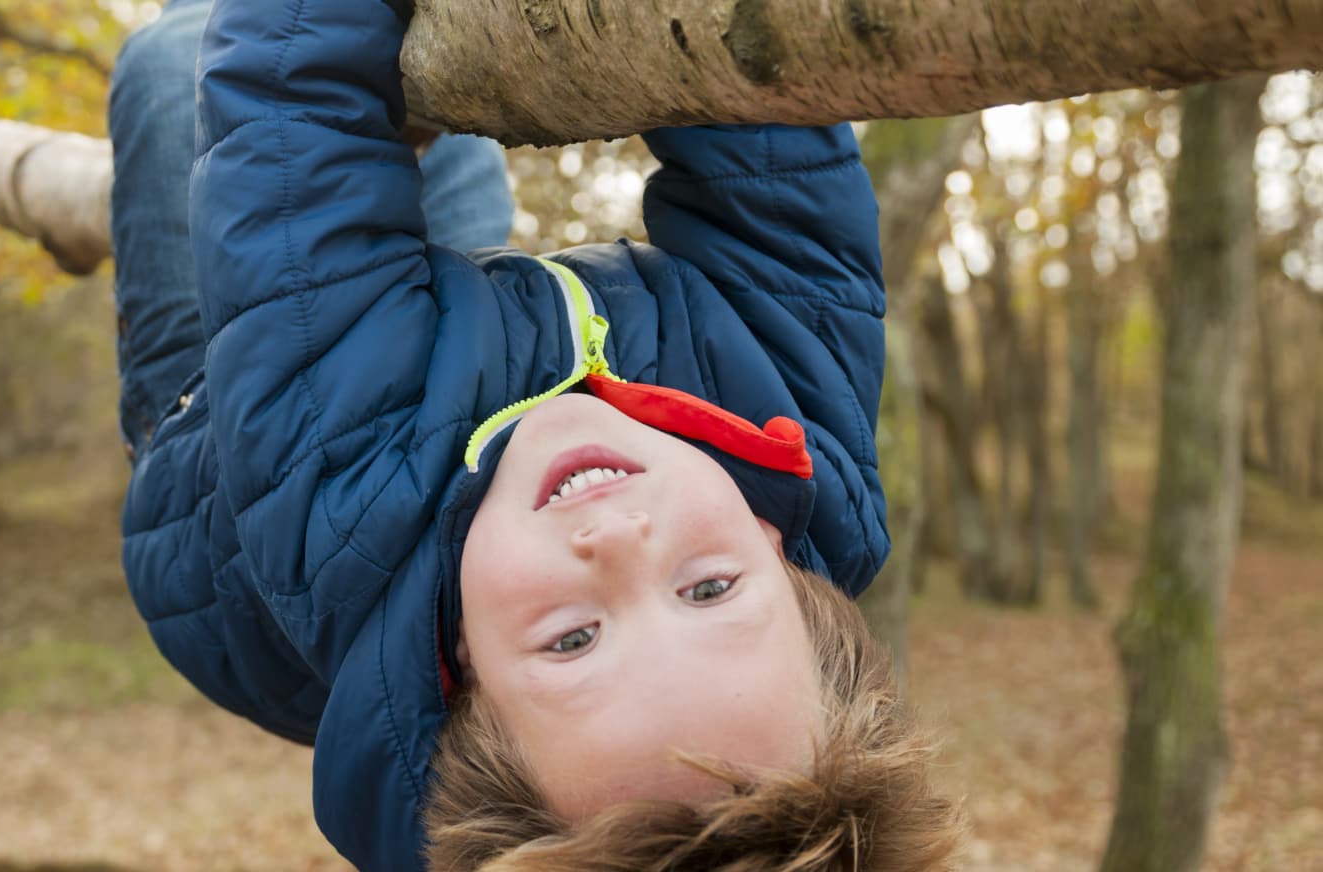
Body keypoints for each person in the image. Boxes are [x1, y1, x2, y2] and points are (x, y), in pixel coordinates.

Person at [112, 0, 965, 869]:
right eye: (708, 589)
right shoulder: (797, 417)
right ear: (780, 553)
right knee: (449, 73)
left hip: (218, 437)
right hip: (453, 339)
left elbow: (285, 117)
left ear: (463, 671)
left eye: (574, 640)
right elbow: (780, 175)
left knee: (179, 60)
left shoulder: (347, 488)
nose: (620, 542)